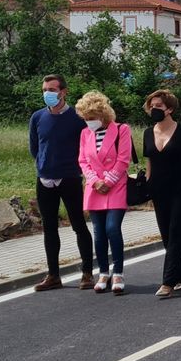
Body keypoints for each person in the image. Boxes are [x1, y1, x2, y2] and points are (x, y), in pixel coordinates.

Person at [28, 73, 94, 291]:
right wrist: (43, 165)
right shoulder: (37, 117)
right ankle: (53, 275)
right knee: (49, 228)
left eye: (52, 90)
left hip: (70, 177)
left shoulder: (77, 118)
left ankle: (87, 273)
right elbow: (34, 147)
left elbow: (87, 146)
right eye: (45, 90)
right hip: (45, 178)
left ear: (64, 92)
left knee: (78, 224)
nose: (48, 93)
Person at [76, 90, 134, 294]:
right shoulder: (85, 134)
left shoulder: (121, 130)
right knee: (99, 234)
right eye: (85, 119)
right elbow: (83, 161)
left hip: (116, 186)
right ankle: (103, 272)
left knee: (112, 228)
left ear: (102, 114)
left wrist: (108, 181)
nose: (88, 122)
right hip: (94, 188)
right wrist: (94, 181)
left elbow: (123, 159)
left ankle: (118, 272)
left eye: (91, 118)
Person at [143, 90, 181, 298]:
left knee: (176, 233)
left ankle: (168, 281)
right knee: (166, 235)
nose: (154, 109)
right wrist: (147, 188)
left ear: (170, 109)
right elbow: (149, 164)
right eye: (152, 106)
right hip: (158, 190)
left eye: (159, 106)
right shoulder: (147, 133)